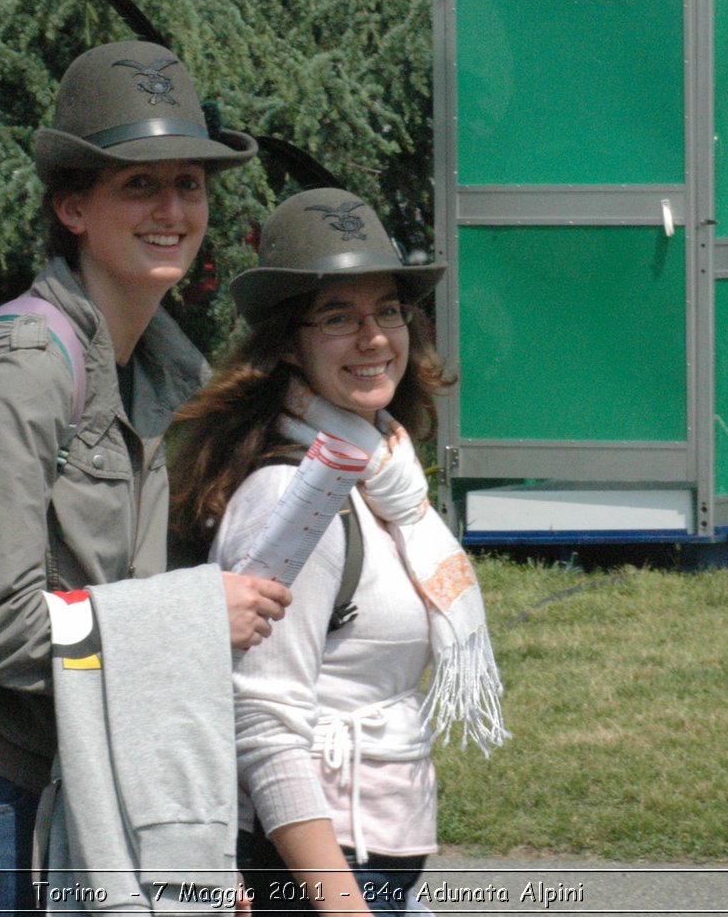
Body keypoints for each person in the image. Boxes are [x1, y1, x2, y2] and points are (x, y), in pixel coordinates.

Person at [0, 39, 293, 915]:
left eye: (189, 185)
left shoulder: (168, 377)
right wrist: (190, 622)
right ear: (72, 206)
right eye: (139, 185)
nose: (173, 209)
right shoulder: (24, 367)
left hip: (85, 783)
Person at [169, 189, 507, 914]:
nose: (375, 338)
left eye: (389, 310)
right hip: (324, 877)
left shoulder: (385, 479)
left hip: (374, 864)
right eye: (338, 318)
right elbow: (262, 722)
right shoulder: (297, 500)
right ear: (289, 344)